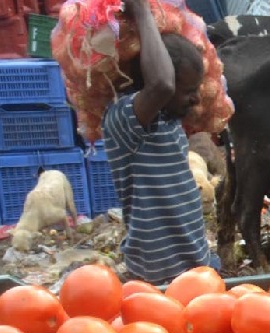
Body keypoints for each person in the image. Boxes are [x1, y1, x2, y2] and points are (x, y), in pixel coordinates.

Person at [100, 0, 215, 286]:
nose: (196, 99)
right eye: (188, 90)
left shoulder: (169, 121)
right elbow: (162, 84)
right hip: (158, 277)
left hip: (194, 265)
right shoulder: (125, 121)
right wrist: (140, 11)